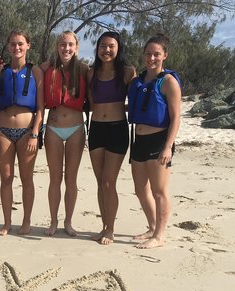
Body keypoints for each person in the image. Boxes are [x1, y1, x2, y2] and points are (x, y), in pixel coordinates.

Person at [0, 30, 44, 236]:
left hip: (27, 132)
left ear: (28, 45)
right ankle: (7, 222)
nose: (17, 47)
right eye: (13, 44)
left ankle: (26, 221)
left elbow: (41, 108)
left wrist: (35, 133)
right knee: (6, 178)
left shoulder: (35, 72)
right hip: (3, 132)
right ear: (8, 46)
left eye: (20, 43)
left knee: (27, 178)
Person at [127, 33, 181, 249]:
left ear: (164, 55)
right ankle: (152, 226)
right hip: (138, 140)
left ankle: (159, 235)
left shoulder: (168, 82)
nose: (151, 58)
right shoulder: (137, 81)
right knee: (140, 189)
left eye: (156, 54)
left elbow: (176, 117)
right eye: (148, 54)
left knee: (159, 191)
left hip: (159, 140)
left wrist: (167, 147)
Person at [86, 31, 136, 245]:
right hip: (96, 128)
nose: (106, 50)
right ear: (97, 49)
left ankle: (111, 229)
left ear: (118, 48)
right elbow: (91, 103)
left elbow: (135, 100)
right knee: (100, 182)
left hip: (117, 129)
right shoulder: (91, 73)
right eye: (103, 46)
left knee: (108, 181)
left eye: (111, 46)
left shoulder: (127, 72)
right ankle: (104, 225)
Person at [41, 31, 89, 237]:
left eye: (70, 44)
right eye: (62, 44)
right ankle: (53, 221)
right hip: (53, 128)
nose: (66, 48)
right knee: (55, 178)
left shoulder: (84, 69)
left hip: (76, 129)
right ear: (57, 47)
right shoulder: (45, 68)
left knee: (71, 178)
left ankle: (68, 222)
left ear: (76, 47)